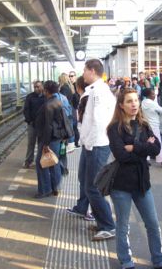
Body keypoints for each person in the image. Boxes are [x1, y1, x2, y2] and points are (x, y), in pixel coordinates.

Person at [107, 88, 162, 269]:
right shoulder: (114, 129)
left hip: (142, 183)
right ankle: (126, 262)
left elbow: (157, 149)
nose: (134, 104)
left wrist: (134, 146)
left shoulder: (143, 125)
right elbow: (121, 155)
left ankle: (160, 260)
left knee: (152, 223)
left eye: (136, 100)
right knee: (123, 226)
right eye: (129, 101)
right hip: (121, 185)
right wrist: (144, 149)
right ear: (121, 105)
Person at [79, 59, 116, 241]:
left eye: (85, 70)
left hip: (97, 145)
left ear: (92, 71)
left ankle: (108, 226)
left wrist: (89, 143)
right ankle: (103, 222)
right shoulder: (94, 90)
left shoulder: (99, 92)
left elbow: (98, 121)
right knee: (87, 184)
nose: (83, 73)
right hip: (91, 144)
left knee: (93, 187)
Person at [67, 76, 95, 221]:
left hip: (92, 145)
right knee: (83, 177)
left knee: (91, 182)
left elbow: (88, 123)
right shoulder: (86, 97)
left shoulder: (87, 98)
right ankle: (82, 207)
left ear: (78, 87)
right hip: (87, 144)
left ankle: (96, 213)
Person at [34, 81, 65, 198]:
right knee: (54, 162)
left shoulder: (48, 105)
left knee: (40, 163)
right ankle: (55, 187)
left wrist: (45, 144)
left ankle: (45, 190)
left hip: (48, 139)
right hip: (56, 137)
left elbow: (48, 125)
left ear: (46, 90)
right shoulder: (57, 102)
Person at [141, 88, 162, 168]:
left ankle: (146, 159)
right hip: (154, 125)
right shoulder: (152, 103)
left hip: (146, 124)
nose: (154, 95)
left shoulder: (143, 102)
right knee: (158, 142)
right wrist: (156, 103)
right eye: (152, 94)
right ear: (148, 95)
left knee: (147, 142)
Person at [23, 81, 45, 168]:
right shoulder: (30, 97)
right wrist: (29, 121)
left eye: (38, 86)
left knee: (41, 143)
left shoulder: (45, 97)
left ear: (42, 87)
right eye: (35, 87)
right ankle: (28, 161)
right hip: (32, 124)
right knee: (31, 143)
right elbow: (26, 110)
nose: (36, 88)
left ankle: (40, 161)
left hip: (42, 125)